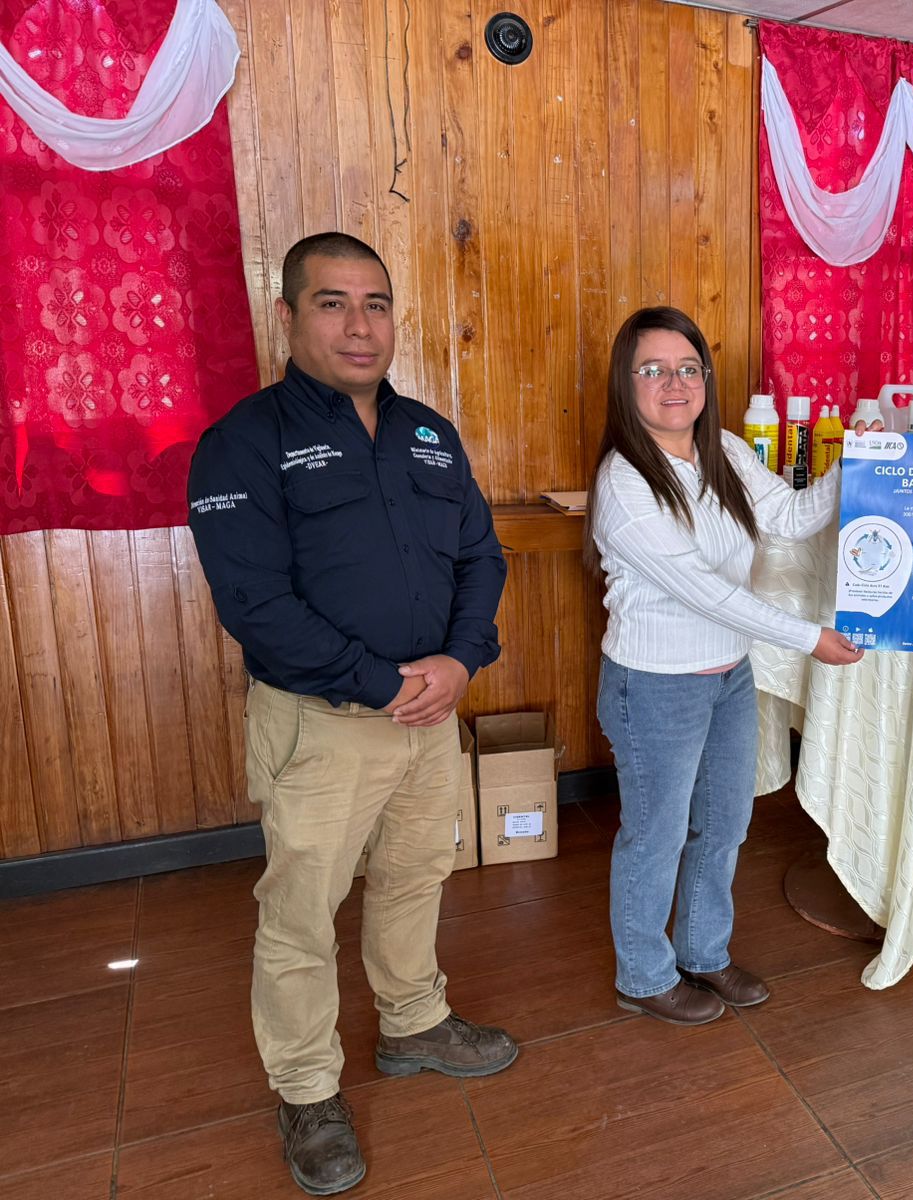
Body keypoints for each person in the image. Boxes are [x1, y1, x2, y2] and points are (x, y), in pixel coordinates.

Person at [187, 232, 517, 1196]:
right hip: (323, 723)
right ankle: (306, 1089)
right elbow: (255, 604)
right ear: (288, 317)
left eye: (375, 303)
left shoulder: (429, 433)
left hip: (430, 714)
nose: (359, 325)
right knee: (300, 913)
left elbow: (481, 556)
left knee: (416, 877)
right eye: (332, 303)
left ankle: (413, 1023)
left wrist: (460, 660)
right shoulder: (244, 442)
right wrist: (382, 683)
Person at [586, 306, 865, 1026]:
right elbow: (706, 593)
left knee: (724, 824)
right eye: (653, 370)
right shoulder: (625, 483)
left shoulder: (726, 453)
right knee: (656, 835)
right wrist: (809, 638)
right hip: (654, 685)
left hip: (727, 676)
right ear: (626, 383)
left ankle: (703, 953)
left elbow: (794, 516)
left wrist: (856, 462)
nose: (674, 383)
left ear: (706, 379)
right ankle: (644, 975)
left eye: (688, 368)